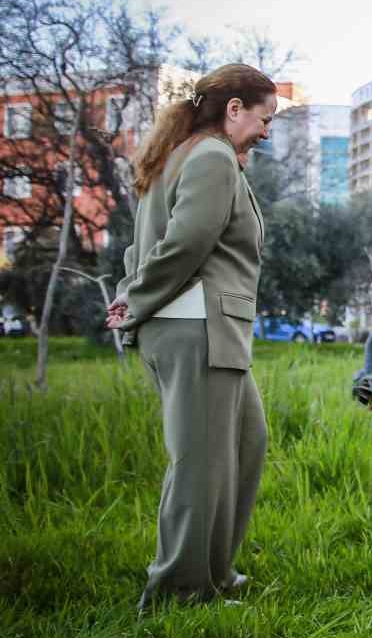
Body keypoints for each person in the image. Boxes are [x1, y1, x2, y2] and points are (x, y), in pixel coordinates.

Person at [105, 63, 276, 610]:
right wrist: (134, 301)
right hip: (192, 325)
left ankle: (214, 572)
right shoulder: (210, 157)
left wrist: (134, 288)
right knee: (199, 462)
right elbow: (184, 245)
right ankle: (180, 590)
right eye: (263, 117)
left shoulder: (192, 154)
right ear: (233, 108)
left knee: (246, 445)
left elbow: (143, 246)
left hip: (209, 326)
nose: (266, 129)